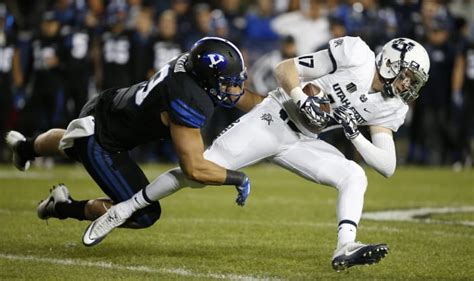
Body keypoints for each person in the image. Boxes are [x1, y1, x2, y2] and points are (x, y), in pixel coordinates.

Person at [83, 36, 430, 271]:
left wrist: (355, 134)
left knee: (355, 175)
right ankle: (124, 209)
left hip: (304, 142)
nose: (408, 86)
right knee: (198, 172)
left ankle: (345, 246)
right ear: (389, 62)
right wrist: (301, 99)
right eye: (408, 76)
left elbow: (386, 165)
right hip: (273, 118)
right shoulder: (356, 54)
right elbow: (285, 69)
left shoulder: (391, 109)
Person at [5, 36, 253, 233]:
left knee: (71, 143)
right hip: (104, 142)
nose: (233, 88)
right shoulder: (189, 99)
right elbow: (194, 168)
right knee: (144, 215)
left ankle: (25, 147)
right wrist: (237, 178)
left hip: (106, 105)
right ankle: (62, 206)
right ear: (207, 78)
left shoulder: (187, 63)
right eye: (226, 82)